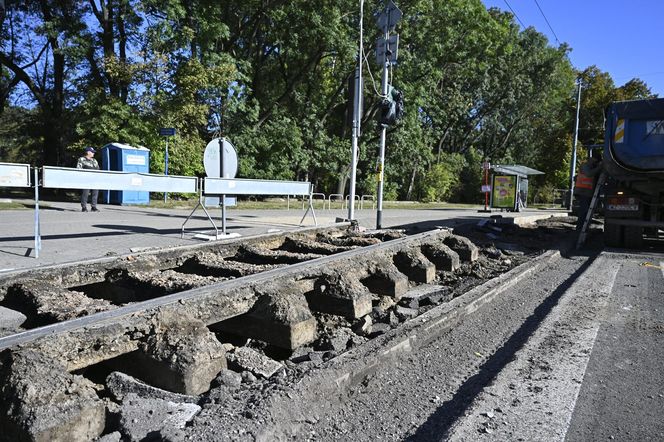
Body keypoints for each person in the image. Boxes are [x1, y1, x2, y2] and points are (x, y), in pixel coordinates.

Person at [575, 155, 602, 230]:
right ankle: (580, 228)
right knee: (584, 210)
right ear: (591, 158)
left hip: (588, 193)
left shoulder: (593, 167)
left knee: (586, 212)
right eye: (595, 160)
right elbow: (589, 174)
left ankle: (584, 227)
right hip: (582, 192)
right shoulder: (584, 166)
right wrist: (599, 167)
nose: (595, 162)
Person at [77, 147, 100, 212]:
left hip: (94, 179)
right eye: (92, 152)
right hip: (85, 179)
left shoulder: (94, 160)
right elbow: (78, 169)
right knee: (85, 193)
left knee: (95, 193)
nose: (93, 153)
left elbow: (98, 169)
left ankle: (93, 207)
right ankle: (84, 207)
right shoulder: (81, 159)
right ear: (88, 152)